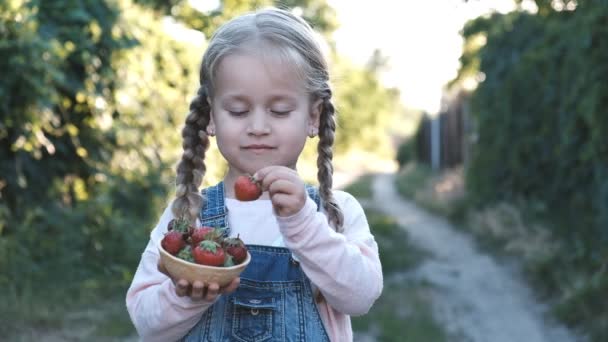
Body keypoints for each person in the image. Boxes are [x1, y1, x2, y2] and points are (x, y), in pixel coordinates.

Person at [126, 7, 383, 342]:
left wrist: (304, 222)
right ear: (212, 118)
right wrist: (185, 296)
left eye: (279, 110)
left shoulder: (335, 212)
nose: (258, 127)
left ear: (313, 117)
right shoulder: (189, 217)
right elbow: (146, 324)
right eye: (238, 110)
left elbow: (360, 296)